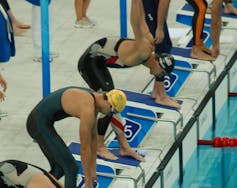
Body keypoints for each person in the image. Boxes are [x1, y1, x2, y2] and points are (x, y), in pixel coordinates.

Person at [78, 0, 175, 160]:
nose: (159, 75)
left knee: (114, 102)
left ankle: (124, 147)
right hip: (90, 61)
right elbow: (136, 22)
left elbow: (143, 19)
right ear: (157, 62)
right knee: (108, 103)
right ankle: (99, 147)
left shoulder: (149, 47)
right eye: (161, 72)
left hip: (100, 61)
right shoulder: (144, 48)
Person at [26, 86, 130, 188]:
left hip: (43, 122)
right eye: (113, 112)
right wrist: (88, 179)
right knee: (71, 168)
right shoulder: (88, 109)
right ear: (109, 104)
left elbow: (93, 140)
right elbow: (84, 148)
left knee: (59, 170)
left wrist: (93, 171)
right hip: (37, 123)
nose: (109, 115)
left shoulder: (94, 99)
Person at [142, 0, 180, 110]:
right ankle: (161, 96)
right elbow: (164, 3)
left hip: (151, 5)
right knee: (162, 47)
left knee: (165, 46)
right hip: (149, 6)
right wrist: (159, 28)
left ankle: (156, 91)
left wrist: (162, 25)